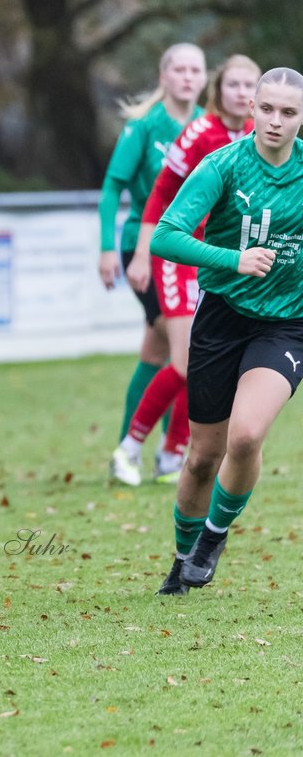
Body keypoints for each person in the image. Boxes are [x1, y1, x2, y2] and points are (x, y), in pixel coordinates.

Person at [149, 67, 303, 595]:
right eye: (268, 109)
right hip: (222, 315)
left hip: (287, 324)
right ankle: (181, 556)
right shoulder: (223, 166)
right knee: (201, 458)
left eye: (289, 112)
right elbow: (165, 239)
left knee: (247, 436)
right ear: (250, 110)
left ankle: (213, 537)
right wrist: (232, 260)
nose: (276, 121)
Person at [112, 55, 261, 486]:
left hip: (221, 263)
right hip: (180, 258)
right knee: (183, 362)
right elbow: (159, 196)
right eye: (233, 84)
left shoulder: (260, 137)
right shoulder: (200, 133)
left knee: (204, 364)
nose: (240, 92)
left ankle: (170, 454)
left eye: (249, 85)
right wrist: (143, 252)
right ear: (219, 90)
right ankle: (128, 449)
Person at [98, 44, 207, 485]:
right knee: (183, 348)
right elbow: (111, 188)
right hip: (142, 248)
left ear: (204, 79)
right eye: (178, 69)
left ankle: (145, 451)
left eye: (194, 70)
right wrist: (108, 248)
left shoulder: (208, 125)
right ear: (164, 76)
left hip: (191, 251)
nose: (186, 77)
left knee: (159, 351)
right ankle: (154, 449)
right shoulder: (143, 126)